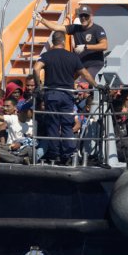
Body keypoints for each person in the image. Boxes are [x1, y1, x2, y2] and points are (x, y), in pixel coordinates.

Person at [33, 31, 96, 164]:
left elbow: (36, 68)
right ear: (63, 41)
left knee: (53, 125)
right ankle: (68, 155)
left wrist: (38, 86)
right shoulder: (72, 57)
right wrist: (96, 86)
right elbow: (85, 73)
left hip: (51, 95)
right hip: (67, 95)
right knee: (67, 125)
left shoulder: (46, 56)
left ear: (53, 42)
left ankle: (54, 155)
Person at [38, 4, 108, 79]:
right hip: (80, 65)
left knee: (84, 82)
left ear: (91, 16)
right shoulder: (75, 28)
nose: (83, 18)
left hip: (94, 65)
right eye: (81, 16)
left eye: (86, 16)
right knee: (64, 79)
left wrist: (85, 47)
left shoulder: (97, 29)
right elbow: (55, 27)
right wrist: (41, 19)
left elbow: (104, 45)